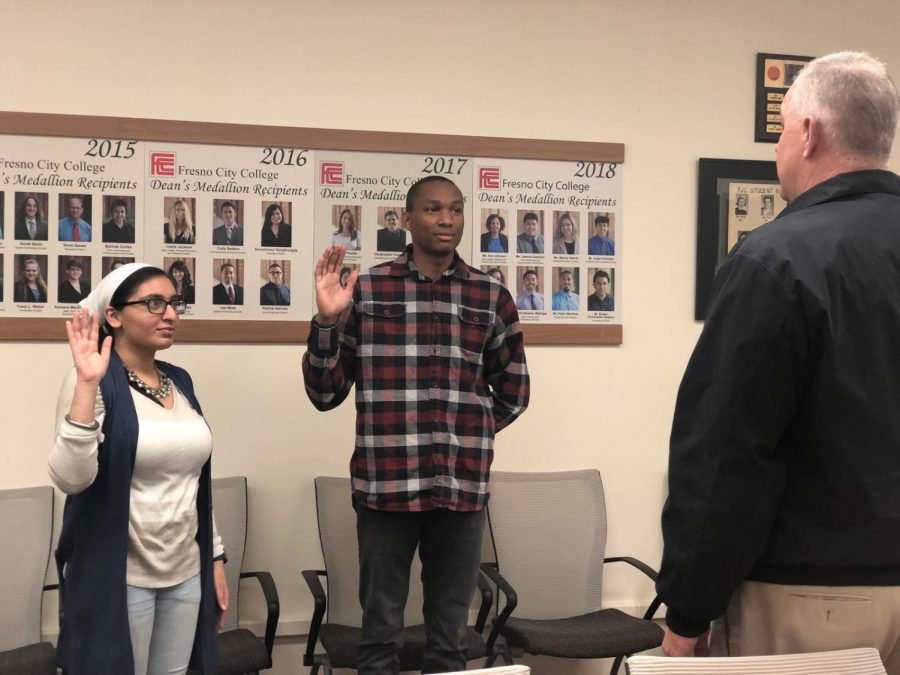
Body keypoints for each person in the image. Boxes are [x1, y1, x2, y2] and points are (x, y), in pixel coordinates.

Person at [657, 52, 900, 671]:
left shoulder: (779, 259)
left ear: (811, 133)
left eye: (783, 131)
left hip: (814, 595)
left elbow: (726, 452)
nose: (778, 150)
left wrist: (687, 610)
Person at [303, 175, 529, 675]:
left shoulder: (490, 295)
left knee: (450, 641)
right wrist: (325, 322)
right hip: (386, 488)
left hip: (461, 491)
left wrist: (467, 432)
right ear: (406, 220)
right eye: (431, 209)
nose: (445, 219)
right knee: (379, 637)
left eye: (454, 209)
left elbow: (514, 390)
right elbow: (325, 393)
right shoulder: (368, 289)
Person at [49, 263, 228, 674]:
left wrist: (215, 559)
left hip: (185, 572)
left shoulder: (180, 381)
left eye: (173, 302)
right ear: (114, 316)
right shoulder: (93, 380)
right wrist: (86, 385)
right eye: (153, 303)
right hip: (120, 577)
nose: (170, 314)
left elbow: (194, 481)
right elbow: (70, 479)